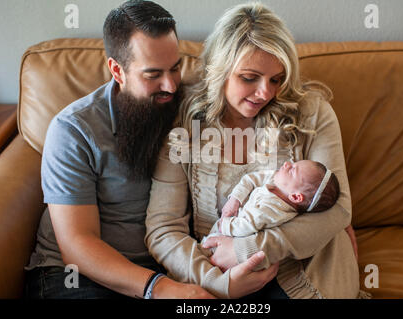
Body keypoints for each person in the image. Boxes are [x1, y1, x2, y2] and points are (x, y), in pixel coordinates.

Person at [24, 0, 260, 299]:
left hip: (170, 265)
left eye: (175, 68)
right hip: (81, 275)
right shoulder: (73, 130)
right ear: (117, 70)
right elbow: (77, 244)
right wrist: (159, 288)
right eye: (152, 75)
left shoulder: (192, 107)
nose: (171, 86)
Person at [146, 2, 365, 299]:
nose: (265, 93)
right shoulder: (184, 122)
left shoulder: (312, 113)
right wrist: (218, 282)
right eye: (249, 77)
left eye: (276, 79)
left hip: (306, 271)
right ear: (218, 70)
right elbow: (163, 229)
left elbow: (338, 209)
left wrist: (249, 249)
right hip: (215, 272)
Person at [202, 160, 340, 244]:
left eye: (292, 170)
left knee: (205, 251)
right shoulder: (278, 182)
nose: (286, 164)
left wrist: (224, 224)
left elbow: (246, 225)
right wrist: (235, 199)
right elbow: (250, 179)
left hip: (228, 236)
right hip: (229, 224)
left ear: (296, 197)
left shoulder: (272, 210)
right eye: (293, 164)